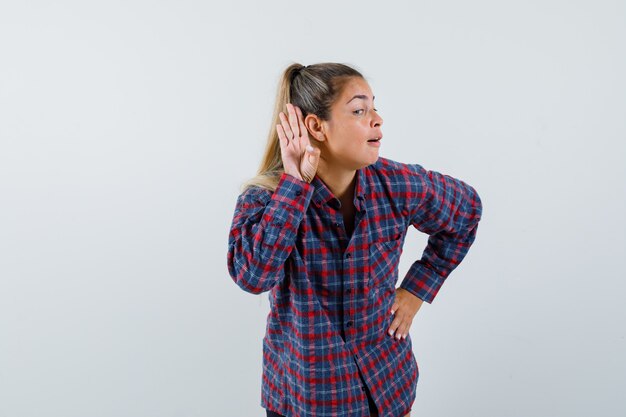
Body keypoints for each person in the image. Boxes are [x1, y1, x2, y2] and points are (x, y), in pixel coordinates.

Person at [226, 62, 483, 417]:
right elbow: (252, 277)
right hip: (308, 398)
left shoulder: (397, 183)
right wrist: (295, 187)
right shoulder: (268, 198)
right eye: (360, 110)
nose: (377, 119)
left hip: (387, 389)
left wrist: (416, 291)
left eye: (375, 107)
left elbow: (466, 210)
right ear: (316, 127)